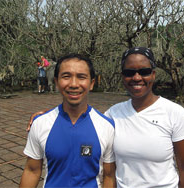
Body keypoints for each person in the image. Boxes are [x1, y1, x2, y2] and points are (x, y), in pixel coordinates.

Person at [27, 47, 184, 187]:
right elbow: (83, 119)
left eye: (144, 71)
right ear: (123, 76)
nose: (137, 78)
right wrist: (45, 118)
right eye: (129, 72)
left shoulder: (175, 113)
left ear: (153, 74)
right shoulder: (113, 115)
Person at [20, 54, 116, 188]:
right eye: (66, 76)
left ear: (92, 83)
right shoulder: (40, 123)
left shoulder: (107, 126)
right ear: (56, 82)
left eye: (81, 77)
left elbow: (109, 176)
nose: (74, 84)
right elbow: (32, 170)